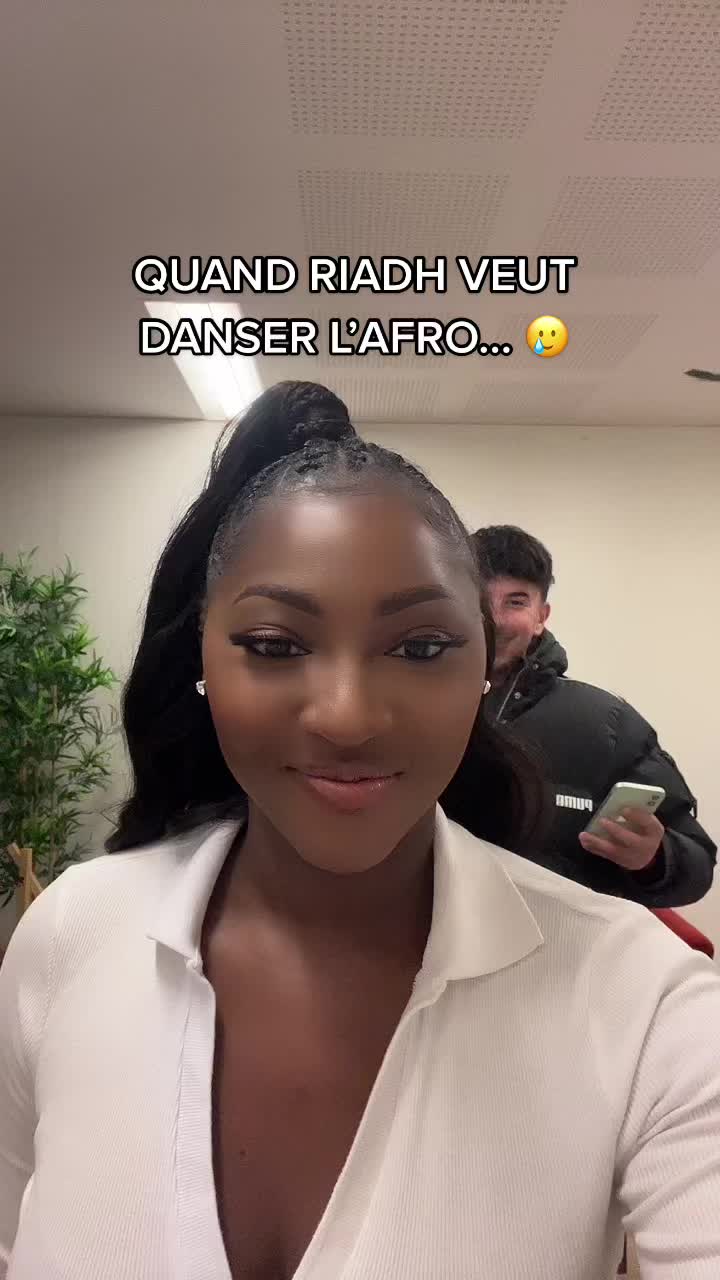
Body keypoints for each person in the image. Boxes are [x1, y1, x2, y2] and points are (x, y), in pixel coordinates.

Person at [1, 382, 719, 1280]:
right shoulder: (70, 935)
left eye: (420, 648)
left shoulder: (642, 1001)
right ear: (202, 664)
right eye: (275, 645)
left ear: (484, 670)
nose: (346, 716)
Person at [473, 525, 716, 907]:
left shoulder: (612, 725)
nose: (496, 619)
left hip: (558, 939)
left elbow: (697, 863)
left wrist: (654, 859)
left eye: (516, 602)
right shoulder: (406, 707)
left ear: (541, 616)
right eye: (480, 601)